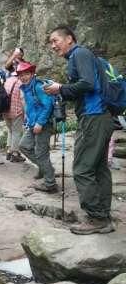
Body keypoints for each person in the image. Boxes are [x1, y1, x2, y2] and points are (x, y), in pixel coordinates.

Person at [44, 26, 114, 235]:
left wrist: (61, 89)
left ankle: (96, 218)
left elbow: (88, 84)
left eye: (55, 40)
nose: (53, 45)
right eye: (51, 42)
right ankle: (103, 215)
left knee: (82, 169)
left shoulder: (79, 54)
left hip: (93, 118)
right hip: (101, 116)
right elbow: (86, 88)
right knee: (99, 168)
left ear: (69, 39)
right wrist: (63, 92)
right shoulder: (83, 55)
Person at [17, 61, 57, 191]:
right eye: (21, 75)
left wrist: (40, 123)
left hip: (43, 124)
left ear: (32, 74)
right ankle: (45, 168)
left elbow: (48, 105)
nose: (23, 77)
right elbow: (32, 107)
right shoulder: (27, 88)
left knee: (41, 153)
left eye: (26, 74)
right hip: (33, 124)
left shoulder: (38, 87)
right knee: (23, 146)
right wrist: (29, 122)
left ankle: (50, 183)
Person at [3, 70, 24, 162]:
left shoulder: (8, 80)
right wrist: (26, 112)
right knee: (16, 132)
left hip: (5, 110)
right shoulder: (20, 83)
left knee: (10, 130)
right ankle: (15, 154)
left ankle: (9, 151)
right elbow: (23, 99)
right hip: (16, 111)